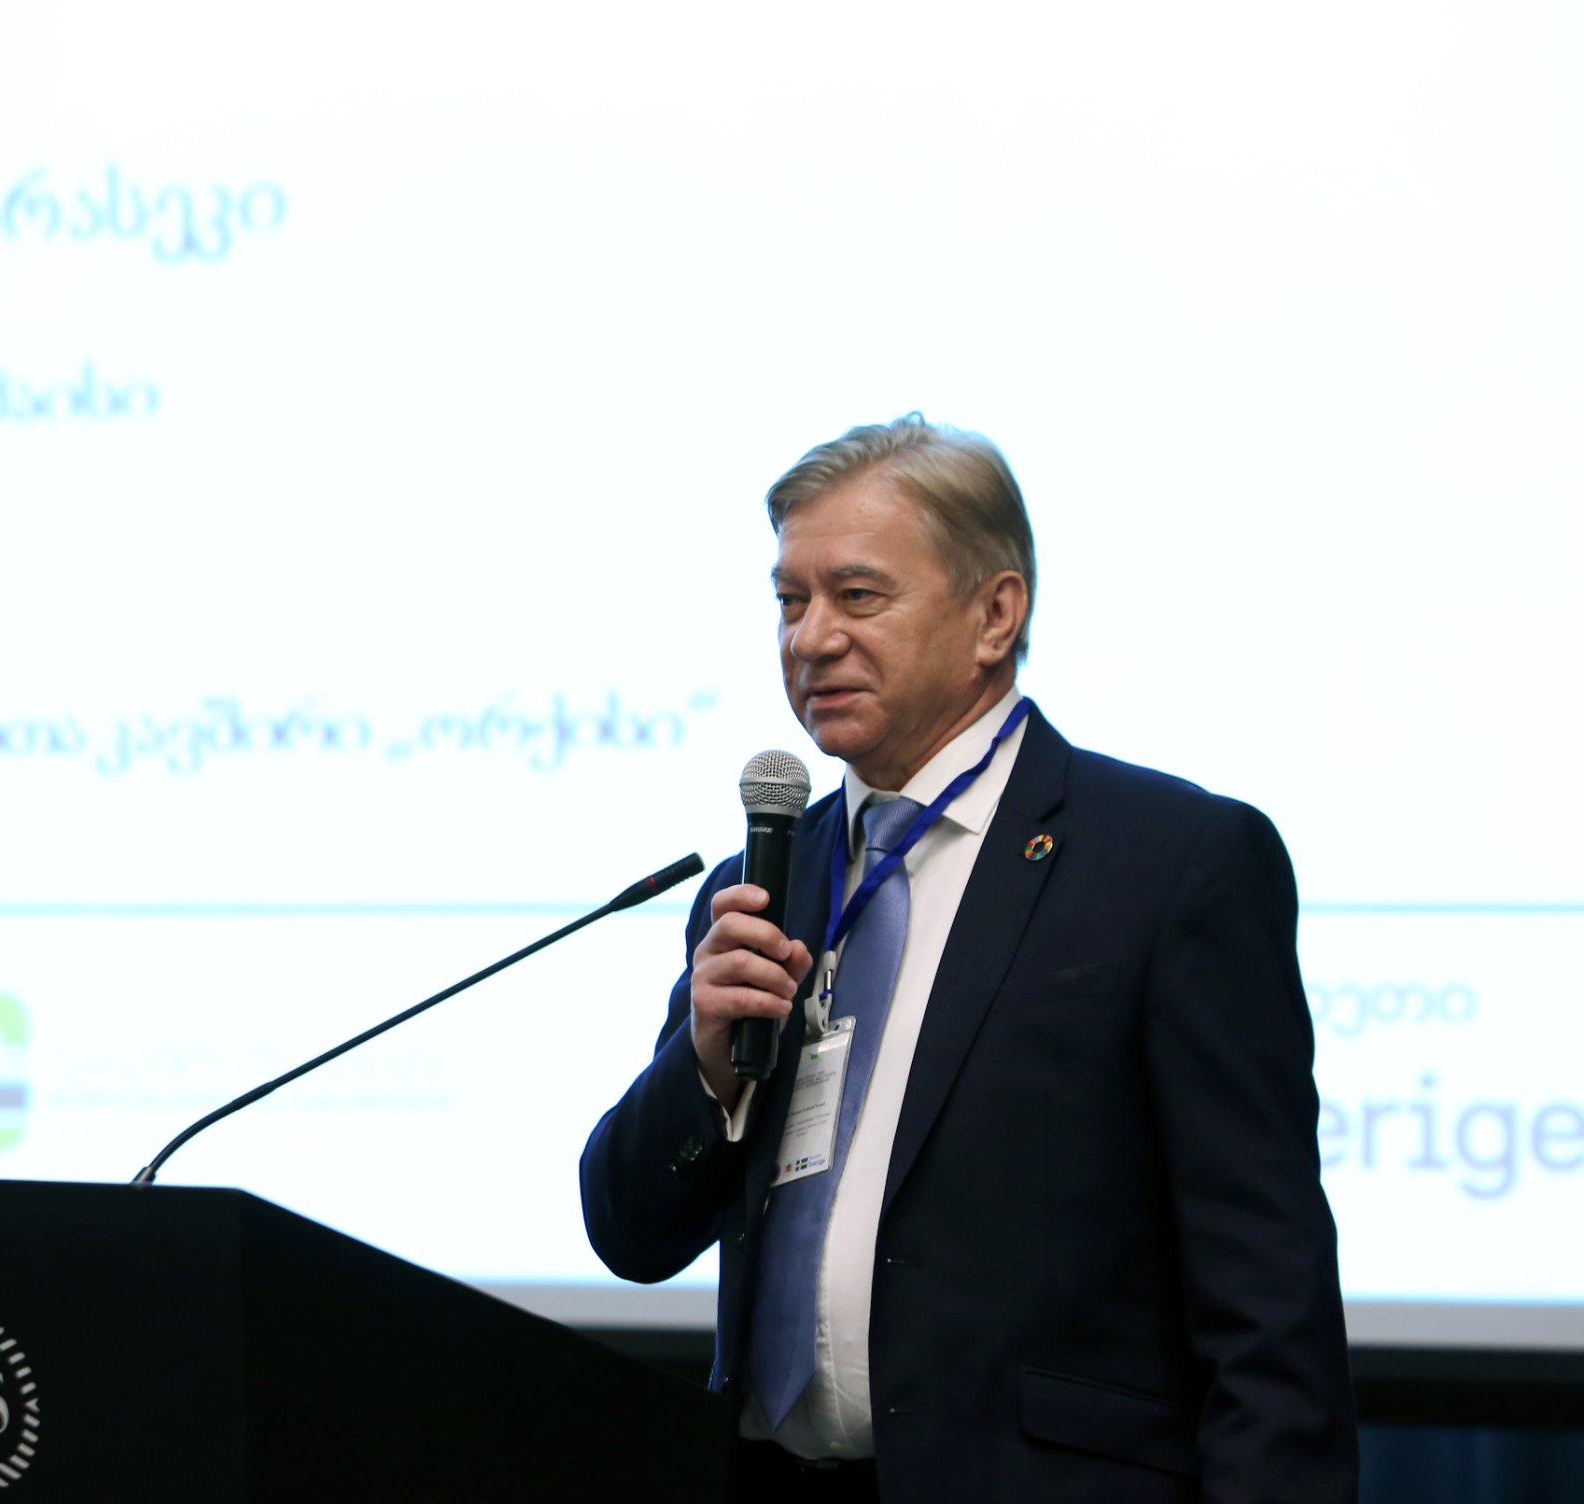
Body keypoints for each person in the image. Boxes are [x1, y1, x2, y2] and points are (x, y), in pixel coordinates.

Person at [580, 416, 1357, 1502]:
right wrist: (706, 1072)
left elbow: (1266, 1295)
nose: (810, 640)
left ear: (995, 613)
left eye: (857, 596)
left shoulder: (1169, 862)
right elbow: (629, 1233)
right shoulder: (763, 882)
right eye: (789, 602)